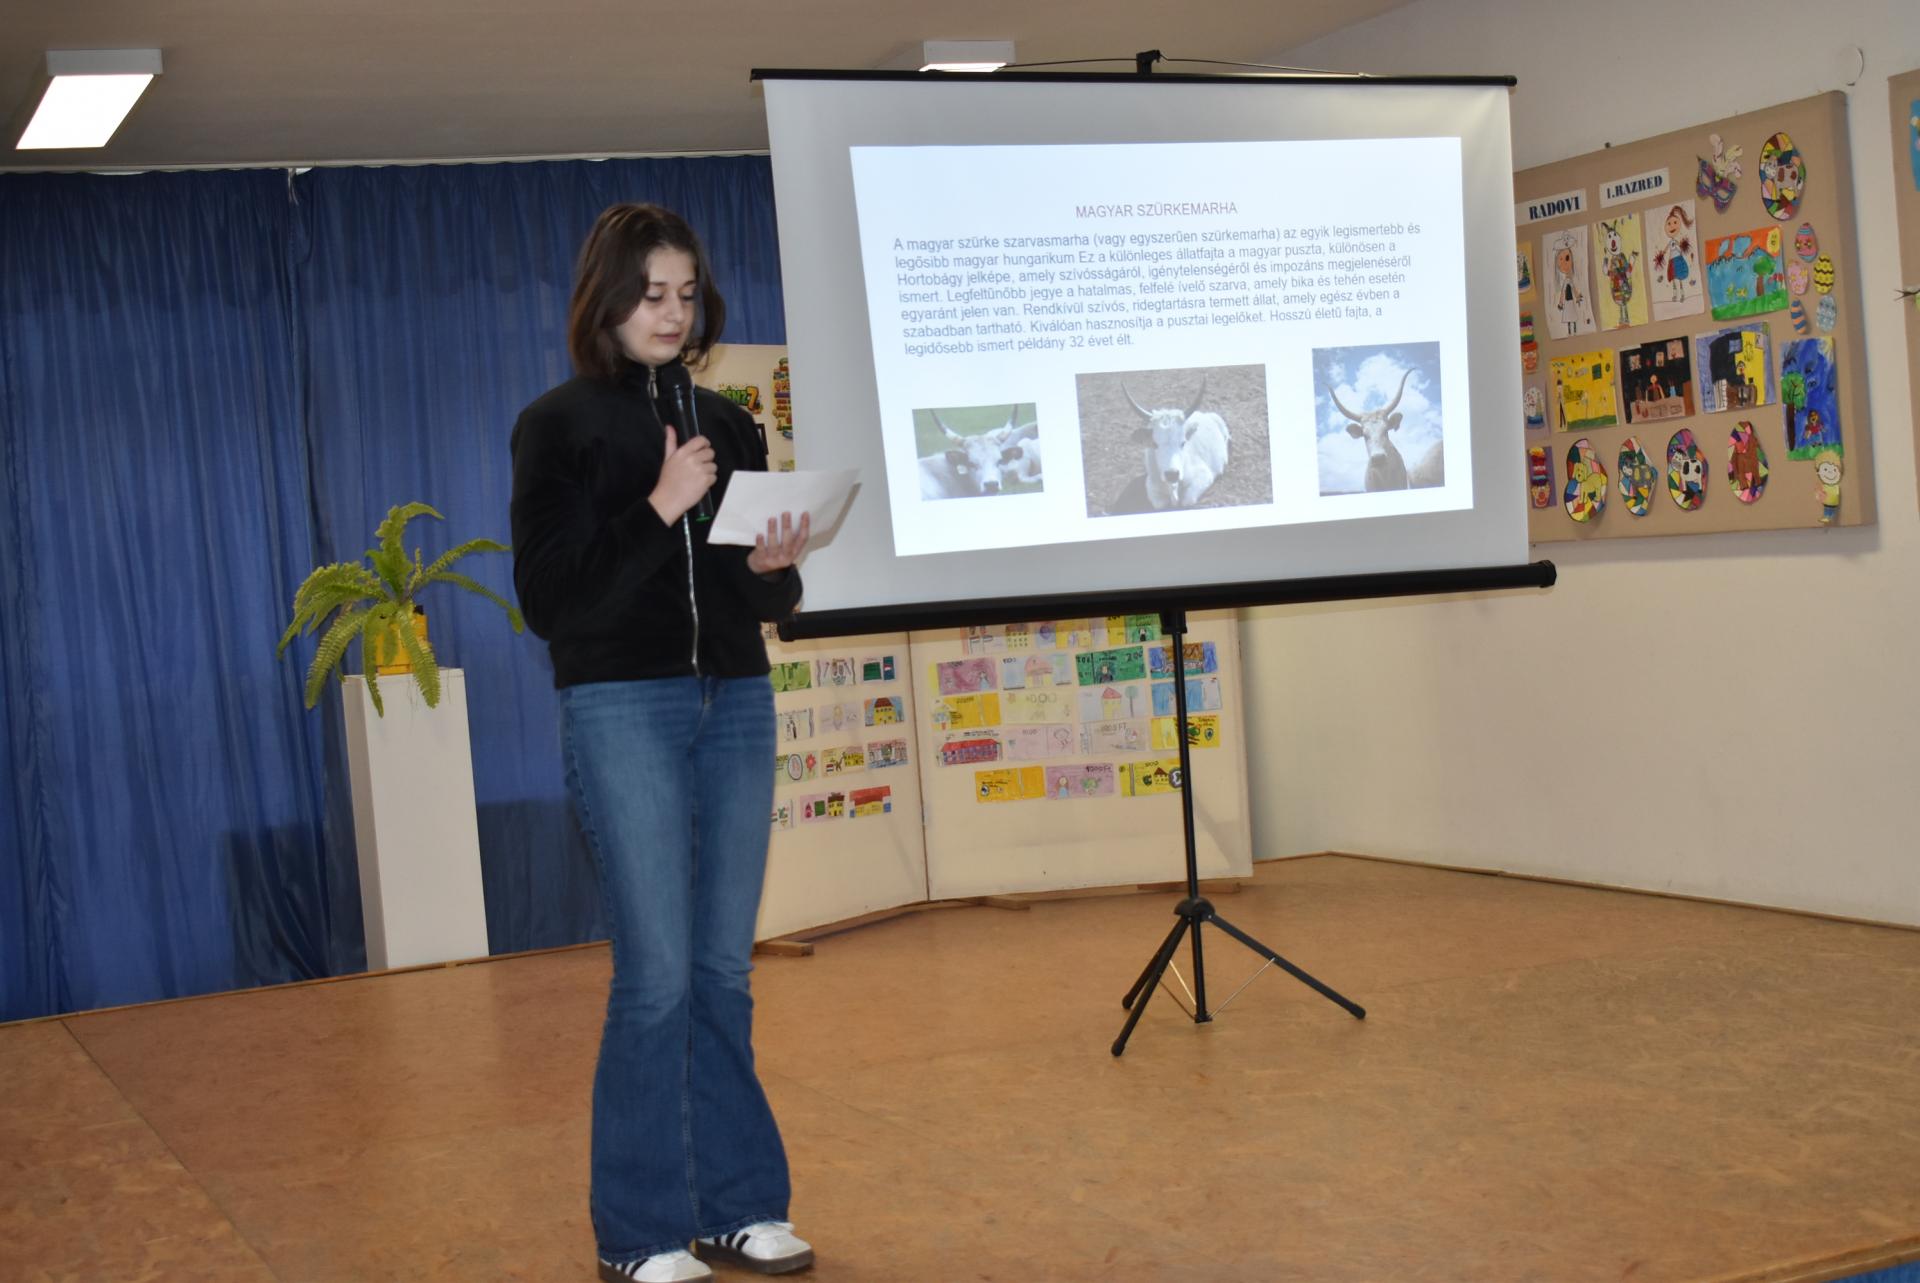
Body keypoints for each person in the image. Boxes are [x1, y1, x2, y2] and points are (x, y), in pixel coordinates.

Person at [509, 202, 814, 1283]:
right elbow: (550, 601)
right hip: (622, 705)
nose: (672, 313)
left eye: (686, 294)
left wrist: (774, 570)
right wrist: (658, 504)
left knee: (723, 971)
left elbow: (760, 598)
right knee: (657, 977)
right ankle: (638, 1231)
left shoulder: (729, 423)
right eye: (651, 293)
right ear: (608, 297)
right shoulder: (557, 425)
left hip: (734, 700)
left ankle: (738, 1205)